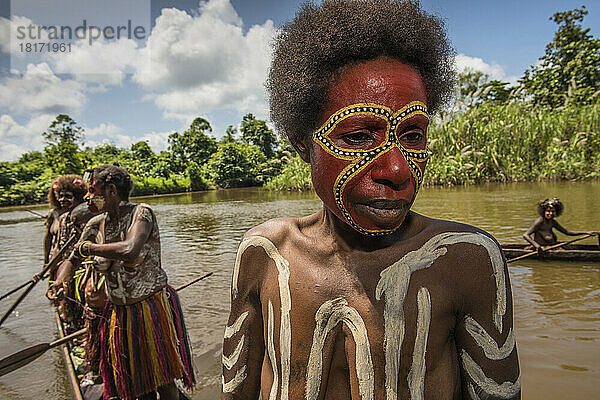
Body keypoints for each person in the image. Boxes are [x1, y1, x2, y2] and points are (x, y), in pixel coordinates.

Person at [221, 1, 520, 399]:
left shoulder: (465, 259)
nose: (396, 170)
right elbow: (236, 389)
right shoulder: (265, 253)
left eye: (413, 135)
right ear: (302, 144)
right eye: (359, 136)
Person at [48, 165, 195, 400]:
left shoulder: (142, 214)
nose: (88, 197)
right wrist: (61, 281)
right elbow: (72, 258)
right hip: (120, 312)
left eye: (93, 190)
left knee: (165, 381)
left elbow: (130, 249)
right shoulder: (96, 224)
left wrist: (91, 248)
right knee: (139, 383)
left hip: (150, 308)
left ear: (112, 191)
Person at [523, 198, 598, 252]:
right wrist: (537, 246)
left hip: (552, 246)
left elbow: (567, 232)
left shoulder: (552, 222)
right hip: (543, 249)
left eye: (553, 211)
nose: (550, 214)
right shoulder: (540, 221)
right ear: (544, 211)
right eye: (548, 211)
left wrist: (586, 232)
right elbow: (526, 235)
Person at [44, 175, 87, 264]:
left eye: (67, 196)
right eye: (61, 196)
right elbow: (54, 242)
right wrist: (48, 261)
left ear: (77, 197)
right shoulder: (60, 217)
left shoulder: (86, 216)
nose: (63, 200)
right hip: (62, 258)